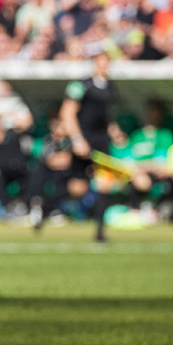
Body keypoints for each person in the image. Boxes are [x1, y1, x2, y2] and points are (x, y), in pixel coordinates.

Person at [59, 47, 114, 241]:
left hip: (102, 142)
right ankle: (47, 206)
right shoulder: (80, 85)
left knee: (105, 183)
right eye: (101, 61)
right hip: (83, 139)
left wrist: (114, 130)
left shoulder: (110, 86)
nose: (104, 66)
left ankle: (100, 232)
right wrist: (77, 139)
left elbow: (104, 115)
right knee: (78, 188)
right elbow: (67, 112)